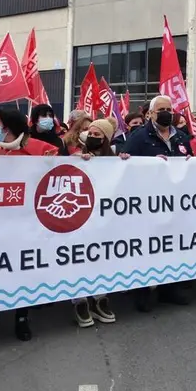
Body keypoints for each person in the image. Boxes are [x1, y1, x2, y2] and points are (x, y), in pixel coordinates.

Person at [0, 109, 57, 340]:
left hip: (27, 221)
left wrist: (83, 159)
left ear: (9, 126)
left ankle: (22, 318)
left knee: (23, 270)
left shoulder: (40, 149)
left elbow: (60, 169)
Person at [121, 95, 193, 312]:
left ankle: (168, 289)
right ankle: (141, 292)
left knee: (171, 246)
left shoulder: (181, 137)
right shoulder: (139, 137)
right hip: (148, 204)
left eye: (169, 109)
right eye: (161, 109)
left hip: (175, 202)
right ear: (150, 113)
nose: (167, 112)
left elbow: (189, 162)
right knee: (147, 248)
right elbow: (127, 166)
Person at [72, 118, 126, 327]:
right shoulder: (76, 155)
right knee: (78, 258)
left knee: (101, 256)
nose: (92, 137)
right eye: (90, 133)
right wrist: (77, 161)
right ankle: (80, 300)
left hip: (105, 218)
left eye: (97, 135)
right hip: (81, 216)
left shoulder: (113, 158)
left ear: (106, 138)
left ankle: (100, 298)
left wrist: (125, 163)